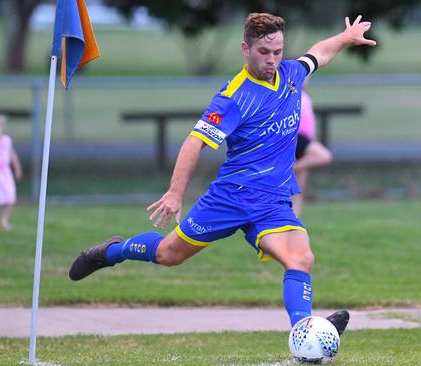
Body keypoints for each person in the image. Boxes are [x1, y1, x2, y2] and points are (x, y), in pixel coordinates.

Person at [69, 13, 375, 335]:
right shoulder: (233, 97)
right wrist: (175, 193)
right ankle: (112, 251)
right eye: (264, 52)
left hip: (272, 202)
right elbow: (194, 142)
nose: (272, 60)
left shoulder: (291, 74)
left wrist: (345, 38)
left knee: (301, 258)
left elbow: (318, 54)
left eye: (277, 52)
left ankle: (304, 332)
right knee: (168, 254)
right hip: (229, 198)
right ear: (246, 48)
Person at [292, 82, 333, 216]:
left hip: (305, 138)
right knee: (324, 155)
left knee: (298, 189)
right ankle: (289, 170)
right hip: (296, 137)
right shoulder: (290, 93)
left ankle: (294, 220)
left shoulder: (303, 94)